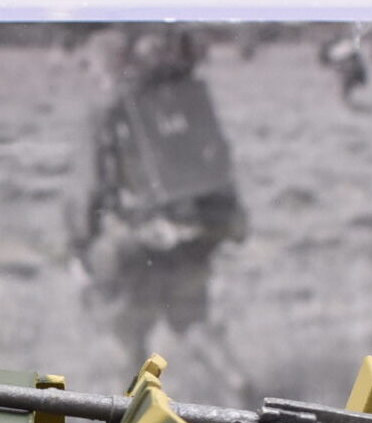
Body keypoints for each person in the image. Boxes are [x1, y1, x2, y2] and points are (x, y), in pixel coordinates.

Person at [72, 29, 250, 395]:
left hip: (138, 237)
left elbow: (89, 188)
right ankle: (236, 381)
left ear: (104, 66)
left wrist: (80, 245)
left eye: (89, 66)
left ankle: (131, 411)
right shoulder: (180, 101)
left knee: (128, 331)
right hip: (195, 226)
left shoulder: (105, 111)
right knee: (191, 318)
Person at [319, 29, 369, 107]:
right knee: (345, 90)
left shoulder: (341, 49)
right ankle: (347, 103)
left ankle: (347, 103)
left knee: (345, 89)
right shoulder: (342, 48)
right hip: (350, 71)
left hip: (350, 72)